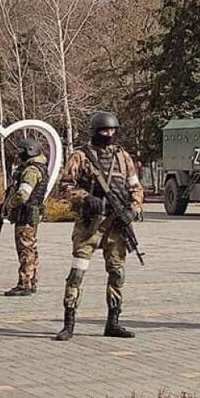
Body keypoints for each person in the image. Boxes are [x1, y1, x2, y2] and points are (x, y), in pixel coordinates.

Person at [54, 112, 144, 341]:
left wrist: (133, 210)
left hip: (116, 224)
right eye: (105, 131)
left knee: (117, 272)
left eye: (113, 131)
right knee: (78, 271)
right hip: (90, 224)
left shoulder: (123, 157)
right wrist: (84, 198)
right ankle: (69, 323)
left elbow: (136, 187)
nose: (110, 135)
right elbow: (64, 186)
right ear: (95, 131)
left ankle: (113, 322)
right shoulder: (80, 156)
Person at [1, 137, 50, 297]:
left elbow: (23, 195)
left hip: (26, 214)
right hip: (31, 214)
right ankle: (31, 281)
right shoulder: (39, 168)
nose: (19, 155)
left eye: (21, 152)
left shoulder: (31, 171)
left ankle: (24, 284)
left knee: (25, 250)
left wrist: (9, 204)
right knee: (31, 249)